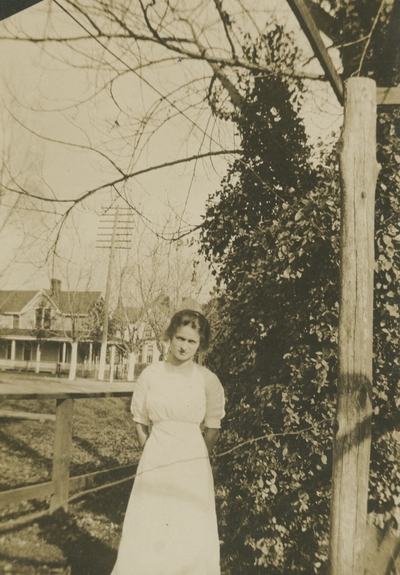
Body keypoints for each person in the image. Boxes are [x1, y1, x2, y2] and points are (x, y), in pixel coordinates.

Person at [111, 309, 225, 575]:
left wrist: (197, 457)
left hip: (192, 463)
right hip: (156, 457)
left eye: (191, 341)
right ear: (170, 338)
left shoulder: (207, 380)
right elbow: (139, 419)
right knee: (150, 522)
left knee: (187, 526)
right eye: (180, 338)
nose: (184, 346)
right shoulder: (151, 374)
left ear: (200, 345)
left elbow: (213, 429)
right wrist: (150, 449)